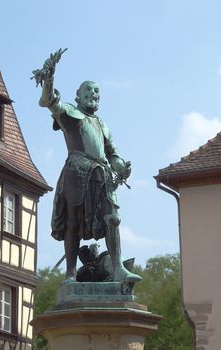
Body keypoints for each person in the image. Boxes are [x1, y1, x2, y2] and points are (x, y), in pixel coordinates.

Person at [33, 49, 141, 283]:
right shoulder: (70, 114)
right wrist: (49, 78)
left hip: (102, 174)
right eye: (89, 90)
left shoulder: (103, 124)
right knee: (72, 221)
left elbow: (113, 153)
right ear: (78, 96)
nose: (94, 94)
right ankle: (71, 273)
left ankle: (118, 268)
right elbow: (48, 101)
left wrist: (121, 167)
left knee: (112, 217)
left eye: (97, 91)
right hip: (76, 170)